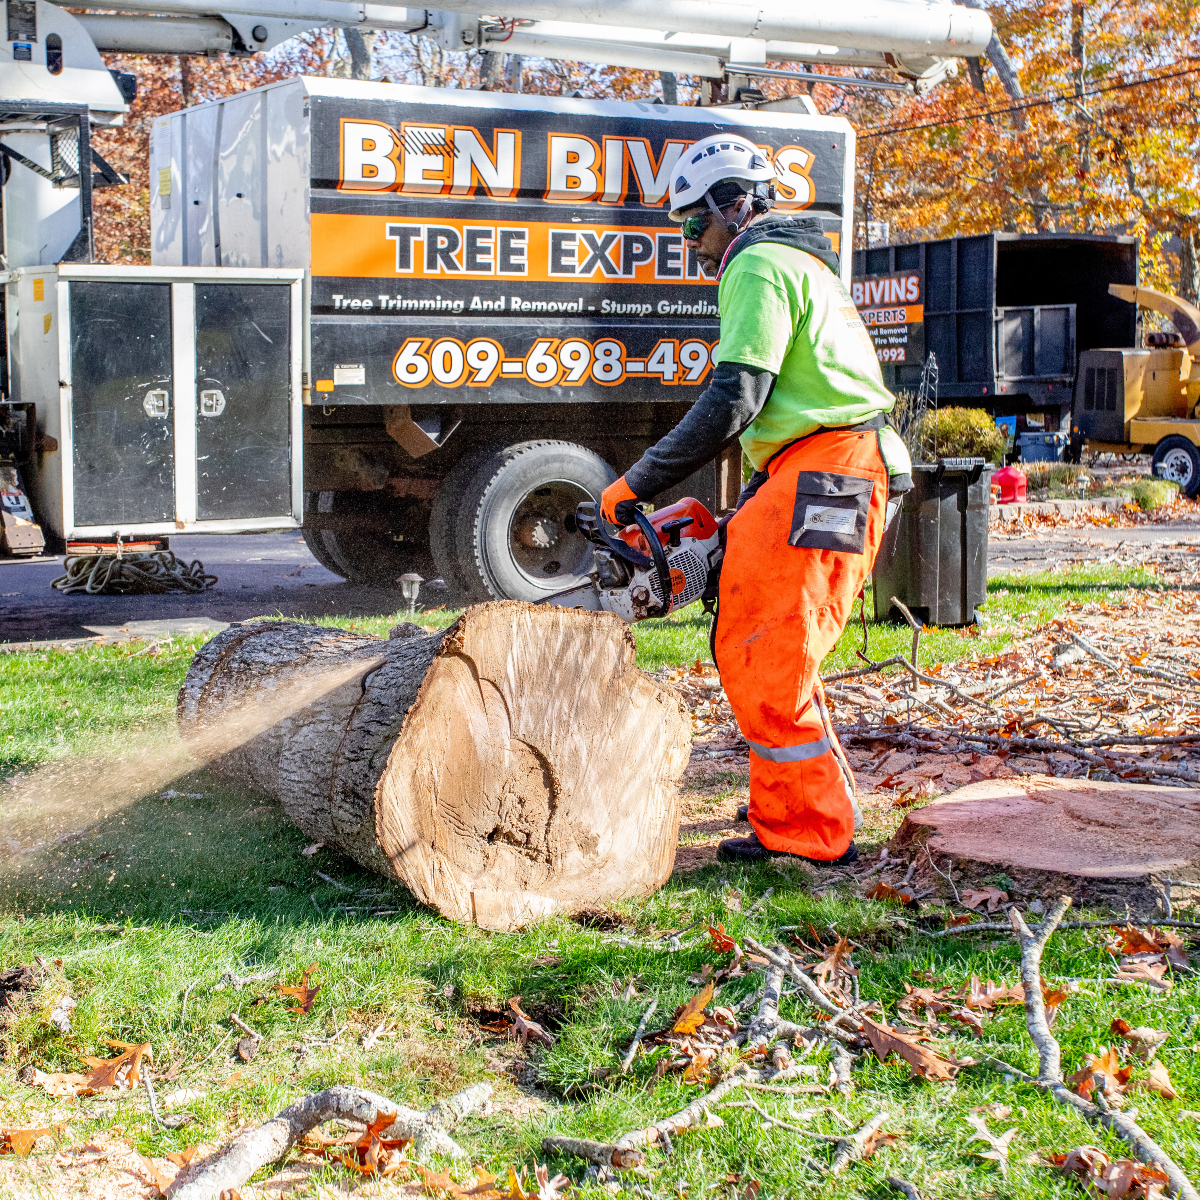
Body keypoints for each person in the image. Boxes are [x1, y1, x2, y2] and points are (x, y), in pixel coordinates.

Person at [600, 133, 912, 866]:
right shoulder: (798, 262)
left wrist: (633, 484)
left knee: (772, 654)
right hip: (818, 465)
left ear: (732, 204)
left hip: (830, 467)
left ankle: (810, 833)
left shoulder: (759, 264)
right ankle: (790, 806)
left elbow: (735, 396)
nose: (693, 245)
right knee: (772, 649)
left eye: (692, 226)